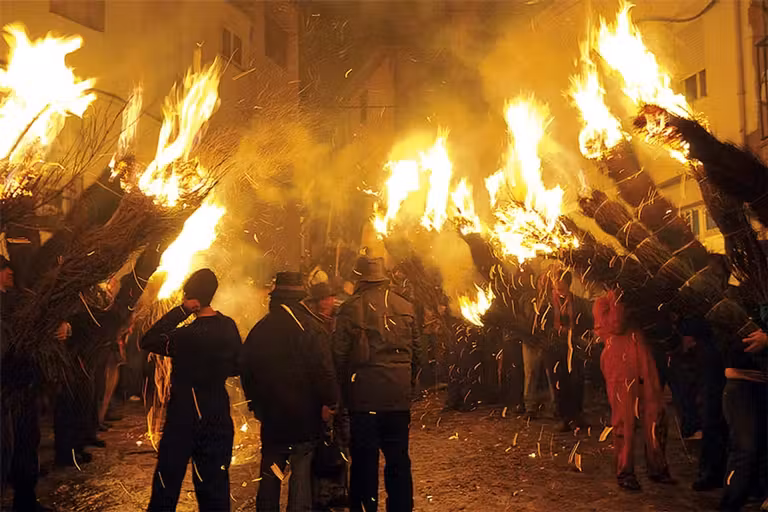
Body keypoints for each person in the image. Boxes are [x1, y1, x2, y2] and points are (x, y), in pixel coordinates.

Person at [140, 269, 241, 512]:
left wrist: (182, 311)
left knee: (166, 486)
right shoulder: (228, 327)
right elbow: (238, 366)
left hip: (183, 419)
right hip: (216, 414)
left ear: (190, 297)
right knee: (215, 491)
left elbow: (148, 340)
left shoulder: (185, 336)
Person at [240, 271, 338, 512]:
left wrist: (256, 404)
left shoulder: (261, 329)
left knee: (272, 472)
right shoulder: (311, 328)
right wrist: (330, 402)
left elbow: (246, 369)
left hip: (273, 418)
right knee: (301, 472)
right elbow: (324, 370)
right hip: (305, 416)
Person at [333, 256, 423, 512]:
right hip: (397, 399)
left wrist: (342, 393)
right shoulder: (405, 306)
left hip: (364, 401)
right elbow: (419, 355)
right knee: (398, 461)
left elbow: (338, 356)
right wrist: (406, 384)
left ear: (360, 279)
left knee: (364, 463)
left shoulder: (350, 308)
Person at [595, 290, 673, 491]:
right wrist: (618, 298)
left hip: (643, 358)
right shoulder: (602, 302)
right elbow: (617, 324)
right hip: (620, 363)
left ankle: (657, 467)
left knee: (655, 413)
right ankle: (625, 471)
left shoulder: (634, 297)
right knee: (625, 419)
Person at [1, 256, 51, 511]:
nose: (10, 271)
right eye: (3, 268)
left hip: (23, 383)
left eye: (10, 266)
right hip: (7, 388)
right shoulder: (6, 306)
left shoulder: (17, 299)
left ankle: (26, 500)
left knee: (27, 441)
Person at [543, 270, 593, 431]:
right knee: (559, 382)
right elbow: (540, 325)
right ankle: (563, 417)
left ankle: (577, 415)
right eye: (555, 280)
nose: (556, 283)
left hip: (574, 347)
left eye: (559, 280)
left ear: (567, 283)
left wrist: (579, 334)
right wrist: (554, 333)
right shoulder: (547, 303)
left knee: (576, 381)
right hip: (554, 347)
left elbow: (586, 322)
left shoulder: (578, 302)